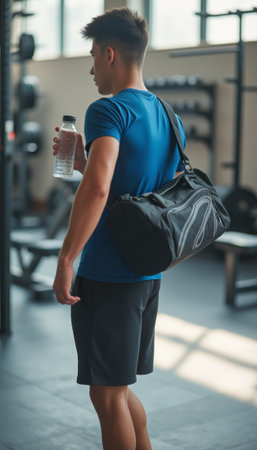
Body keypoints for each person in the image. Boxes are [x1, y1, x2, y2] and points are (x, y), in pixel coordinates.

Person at [52, 7, 186, 450]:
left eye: (92, 56)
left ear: (110, 54)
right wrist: (80, 164)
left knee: (107, 396)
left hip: (108, 274)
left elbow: (97, 191)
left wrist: (67, 257)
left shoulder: (107, 111)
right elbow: (132, 190)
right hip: (147, 276)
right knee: (118, 390)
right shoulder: (169, 116)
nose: (91, 68)